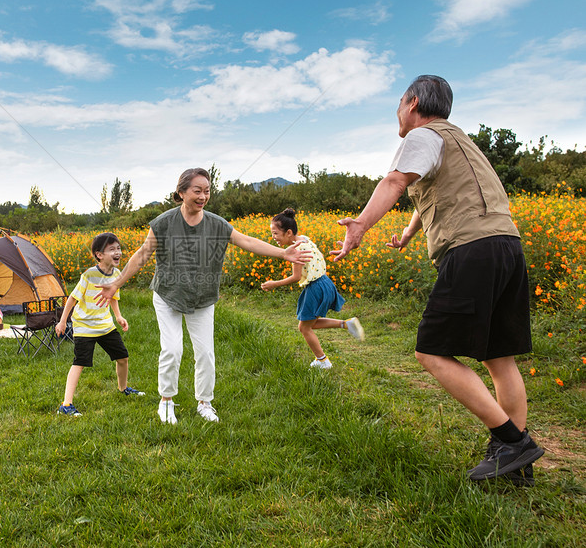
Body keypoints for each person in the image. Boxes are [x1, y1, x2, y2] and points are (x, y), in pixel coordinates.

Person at [331, 75, 542, 484]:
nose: (398, 110)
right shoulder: (458, 139)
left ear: (411, 102)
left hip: (471, 249)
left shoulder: (422, 135)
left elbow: (396, 180)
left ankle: (511, 441)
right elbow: (435, 187)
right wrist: (410, 233)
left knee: (430, 352)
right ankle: (516, 467)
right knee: (500, 358)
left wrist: (360, 225)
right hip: (506, 246)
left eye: (399, 102)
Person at [95, 168, 312, 424]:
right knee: (172, 350)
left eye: (207, 191)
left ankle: (205, 403)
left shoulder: (216, 224)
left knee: (206, 353)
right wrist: (116, 284)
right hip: (168, 295)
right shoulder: (164, 222)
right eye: (197, 191)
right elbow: (142, 255)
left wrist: (284, 254)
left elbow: (247, 241)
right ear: (181, 192)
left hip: (202, 298)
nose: (203, 196)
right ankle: (166, 400)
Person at [261, 208, 364, 369]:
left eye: (275, 233)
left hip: (316, 287)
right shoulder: (304, 239)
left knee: (304, 327)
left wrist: (274, 283)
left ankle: (322, 361)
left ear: (288, 232)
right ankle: (346, 324)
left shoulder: (295, 249)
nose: (273, 237)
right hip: (325, 282)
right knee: (311, 324)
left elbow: (295, 277)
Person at [55, 232, 144, 417]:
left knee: (123, 357)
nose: (117, 252)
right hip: (84, 327)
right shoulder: (89, 275)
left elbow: (113, 298)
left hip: (105, 326)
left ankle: (123, 388)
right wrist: (63, 321)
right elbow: (72, 298)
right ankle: (66, 404)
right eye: (112, 249)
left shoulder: (118, 274)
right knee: (79, 362)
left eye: (118, 248)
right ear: (99, 254)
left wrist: (118, 317)